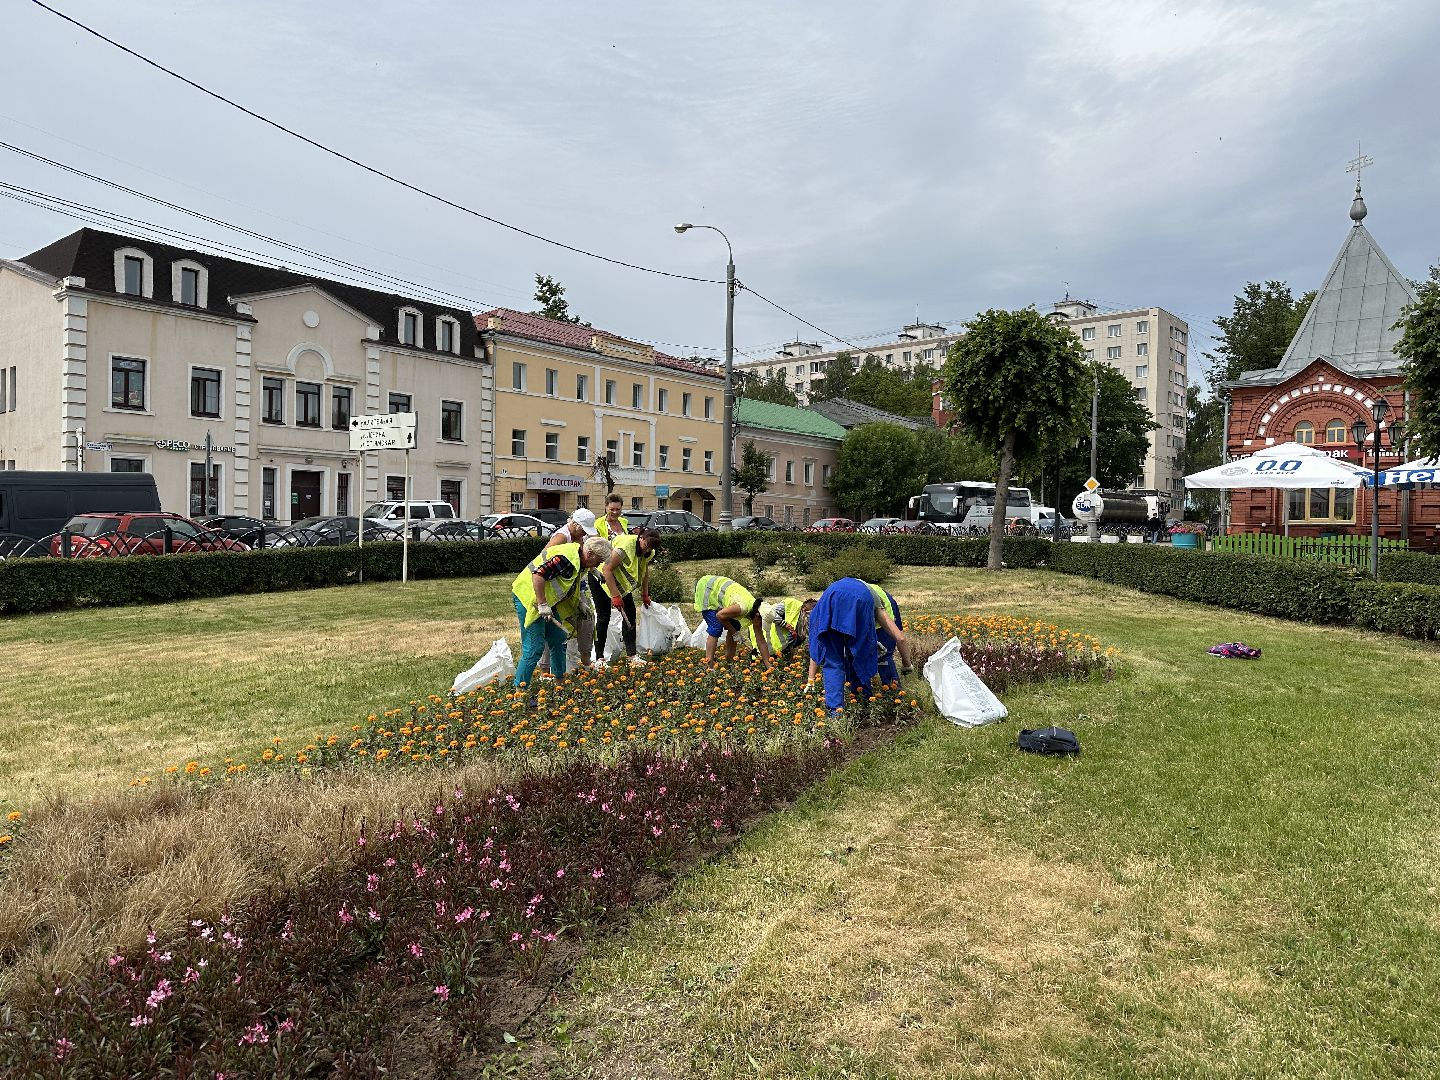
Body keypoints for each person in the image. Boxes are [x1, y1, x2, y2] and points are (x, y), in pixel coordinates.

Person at [511, 535, 612, 692]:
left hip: (545, 600)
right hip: (528, 596)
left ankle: (559, 682)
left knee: (559, 639)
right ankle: (520, 691)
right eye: (598, 561)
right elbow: (538, 575)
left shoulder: (580, 557)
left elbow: (570, 582)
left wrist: (579, 603)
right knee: (534, 647)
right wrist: (542, 604)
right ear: (590, 553)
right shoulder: (566, 559)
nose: (598, 565)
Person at [806, 577, 879, 714]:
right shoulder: (871, 593)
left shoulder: (824, 600)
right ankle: (864, 699)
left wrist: (811, 679)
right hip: (860, 601)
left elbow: (817, 643)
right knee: (860, 652)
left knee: (833, 661)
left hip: (831, 600)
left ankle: (835, 712)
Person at [541, 508, 600, 670]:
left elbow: (581, 560)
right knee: (553, 628)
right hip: (556, 590)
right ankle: (545, 671)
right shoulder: (562, 537)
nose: (583, 534)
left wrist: (592, 570)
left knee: (587, 619)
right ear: (574, 524)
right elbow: (543, 560)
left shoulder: (578, 536)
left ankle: (586, 662)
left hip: (573, 587)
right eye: (582, 530)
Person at [598, 527, 661, 663]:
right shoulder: (625, 547)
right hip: (601, 578)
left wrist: (645, 594)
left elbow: (644, 571)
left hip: (620, 583)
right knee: (604, 616)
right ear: (641, 538)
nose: (648, 550)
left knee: (630, 615)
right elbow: (606, 569)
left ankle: (631, 655)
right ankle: (599, 658)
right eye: (646, 546)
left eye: (651, 548)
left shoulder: (648, 551)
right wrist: (615, 596)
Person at [693, 574, 772, 664]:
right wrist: (734, 633)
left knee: (735, 625)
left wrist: (769, 666)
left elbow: (761, 641)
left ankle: (729, 662)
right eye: (762, 622)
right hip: (708, 588)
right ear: (758, 615)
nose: (761, 625)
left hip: (724, 594)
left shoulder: (757, 609)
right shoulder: (743, 608)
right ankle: (709, 665)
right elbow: (719, 616)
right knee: (716, 627)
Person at [864, 581, 913, 685]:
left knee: (884, 654)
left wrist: (906, 664)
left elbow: (900, 638)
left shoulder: (883, 603)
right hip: (867, 603)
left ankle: (893, 692)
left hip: (884, 604)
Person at [749, 596, 816, 657]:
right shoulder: (791, 604)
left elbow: (809, 636)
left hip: (782, 647)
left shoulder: (807, 618)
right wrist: (785, 625)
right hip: (765, 637)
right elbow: (770, 614)